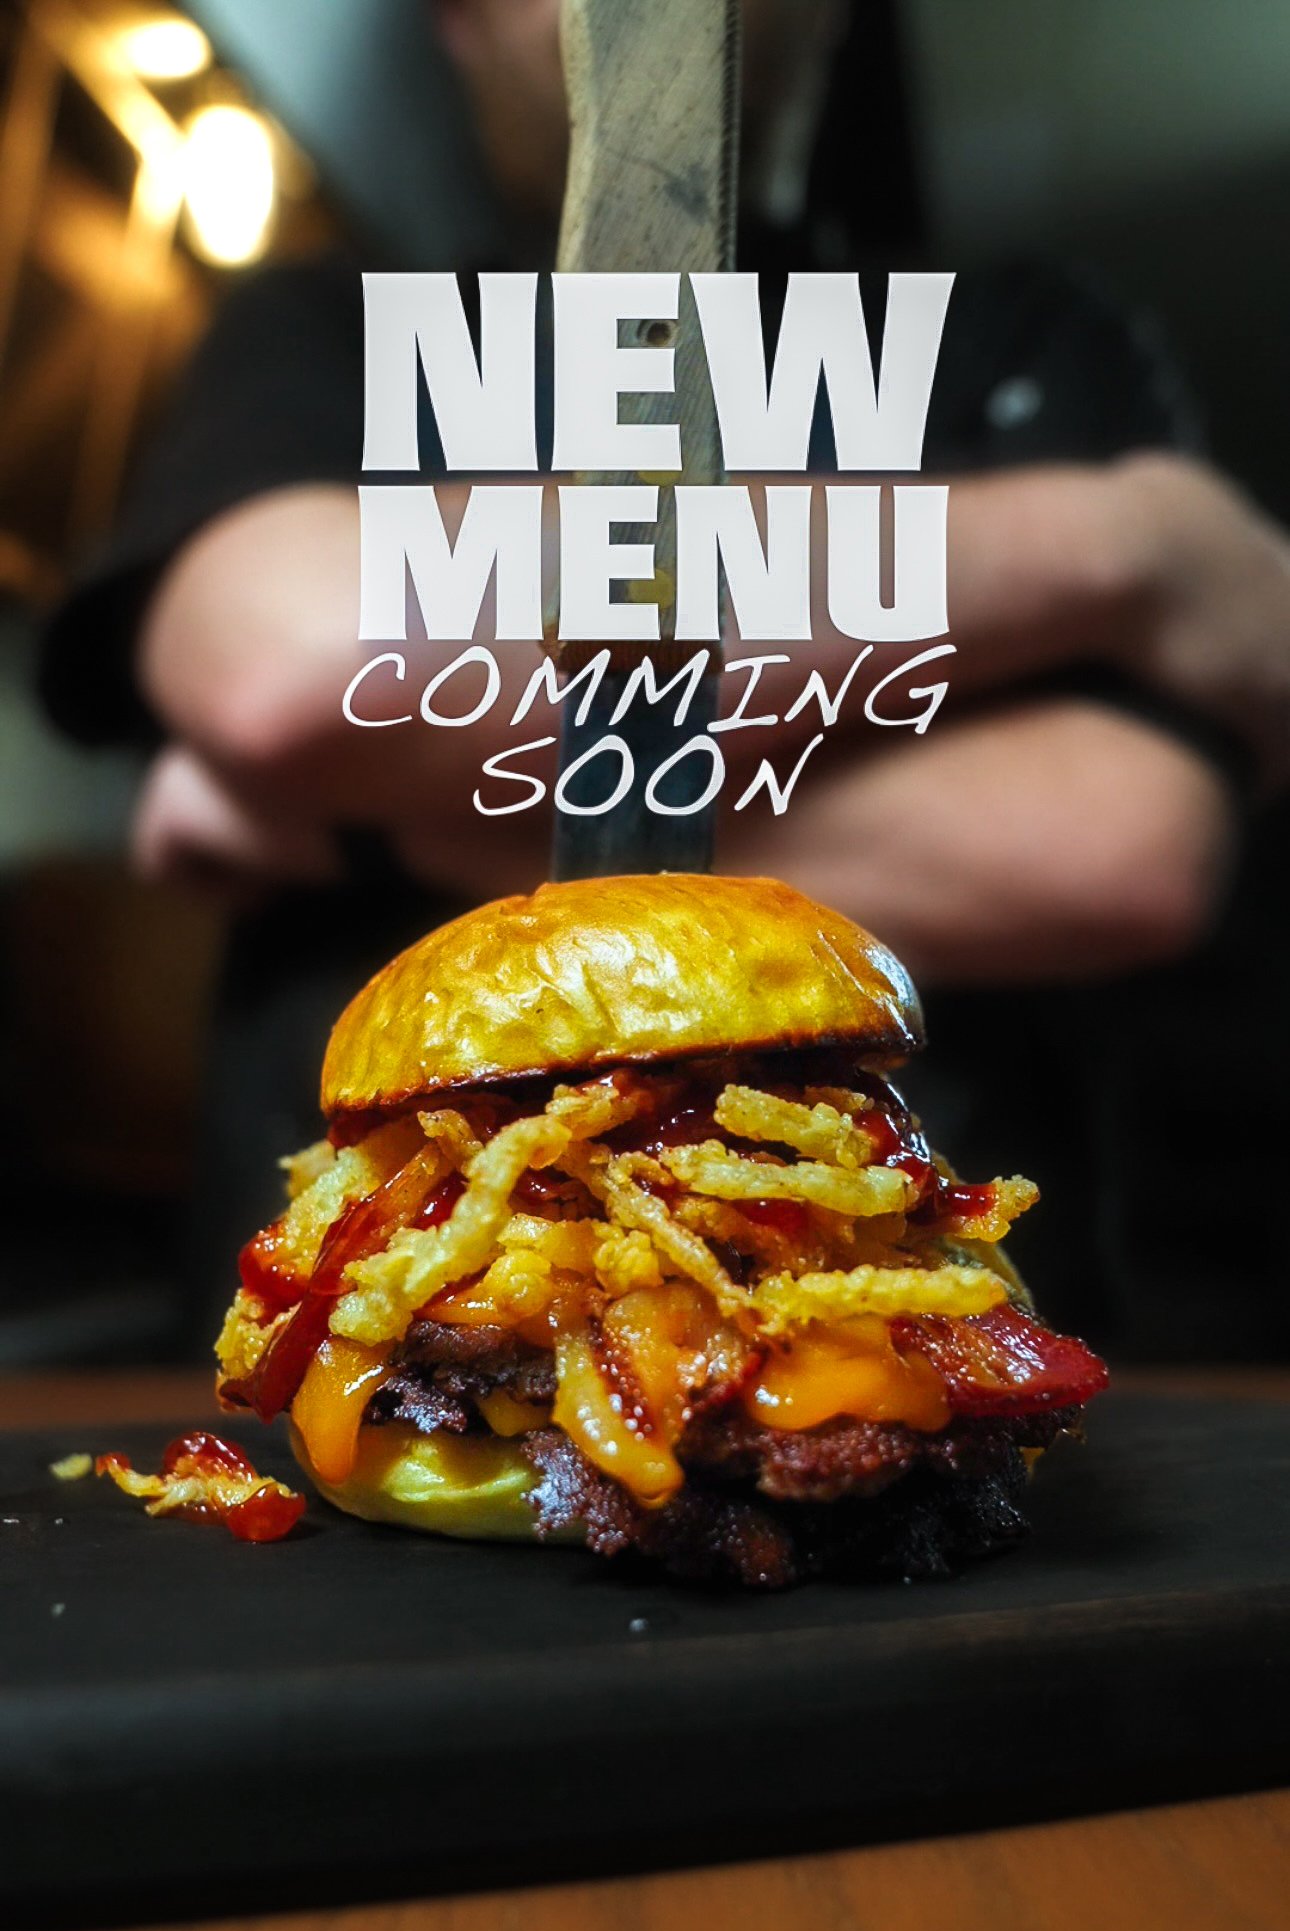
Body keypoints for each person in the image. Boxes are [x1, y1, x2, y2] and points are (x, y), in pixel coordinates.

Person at [40, 0, 1290, 1355]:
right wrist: (1131, 542)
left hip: (937, 1344)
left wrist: (370, 824)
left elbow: (1119, 847)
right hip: (358, 1344)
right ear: (455, 22)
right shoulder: (327, 331)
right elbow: (285, 662)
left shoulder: (1017, 334)